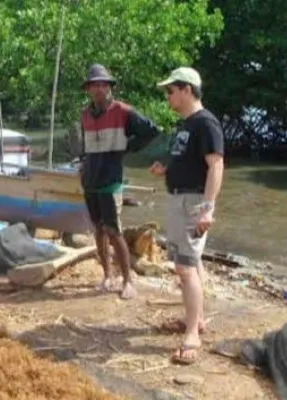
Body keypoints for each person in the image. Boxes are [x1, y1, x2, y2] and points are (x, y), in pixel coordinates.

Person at [150, 67, 225, 365]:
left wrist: (208, 208)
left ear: (187, 90)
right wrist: (166, 170)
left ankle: (192, 333)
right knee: (191, 264)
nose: (168, 96)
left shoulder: (206, 123)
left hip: (192, 202)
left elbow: (216, 166)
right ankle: (198, 320)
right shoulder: (187, 125)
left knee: (185, 269)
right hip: (178, 198)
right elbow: (189, 160)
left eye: (170, 90)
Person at [78, 64, 162, 300]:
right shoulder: (85, 114)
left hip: (111, 180)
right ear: (88, 89)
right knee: (98, 231)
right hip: (90, 180)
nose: (99, 89)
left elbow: (152, 131)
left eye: (103, 84)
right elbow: (87, 147)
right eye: (94, 85)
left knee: (113, 231)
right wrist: (82, 165)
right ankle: (107, 275)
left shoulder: (123, 112)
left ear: (109, 87)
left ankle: (127, 281)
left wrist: (126, 147)